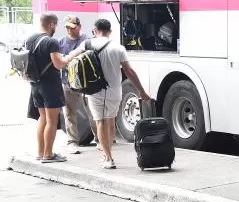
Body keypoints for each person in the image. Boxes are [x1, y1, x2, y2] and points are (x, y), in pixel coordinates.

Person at [67, 19, 151, 169]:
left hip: (94, 90)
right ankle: (109, 152)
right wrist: (141, 91)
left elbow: (69, 59)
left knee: (100, 122)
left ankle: (108, 158)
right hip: (114, 91)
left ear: (94, 30)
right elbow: (129, 71)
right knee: (110, 121)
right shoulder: (118, 48)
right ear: (110, 31)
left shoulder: (87, 44)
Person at [26, 13, 70, 163]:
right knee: (52, 120)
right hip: (50, 84)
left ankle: (40, 152)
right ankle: (49, 154)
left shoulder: (30, 39)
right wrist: (69, 57)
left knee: (43, 118)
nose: (55, 28)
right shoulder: (51, 42)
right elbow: (59, 64)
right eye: (56, 25)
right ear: (51, 24)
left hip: (35, 84)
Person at [58, 15, 89, 152]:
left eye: (72, 27)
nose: (69, 30)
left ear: (79, 26)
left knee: (92, 113)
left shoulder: (86, 40)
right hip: (67, 82)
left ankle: (101, 139)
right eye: (67, 28)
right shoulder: (61, 42)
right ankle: (72, 141)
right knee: (69, 113)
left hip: (85, 83)